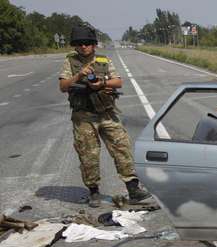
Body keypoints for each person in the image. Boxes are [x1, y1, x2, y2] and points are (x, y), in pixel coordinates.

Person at [58, 24, 150, 208]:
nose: (83, 46)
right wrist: (78, 76)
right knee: (88, 156)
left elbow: (118, 81)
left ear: (93, 44)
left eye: (87, 43)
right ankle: (94, 192)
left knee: (122, 148)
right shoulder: (70, 62)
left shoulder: (103, 60)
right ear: (75, 45)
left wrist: (102, 83)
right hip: (84, 117)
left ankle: (133, 189)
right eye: (79, 43)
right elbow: (63, 86)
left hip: (106, 113)